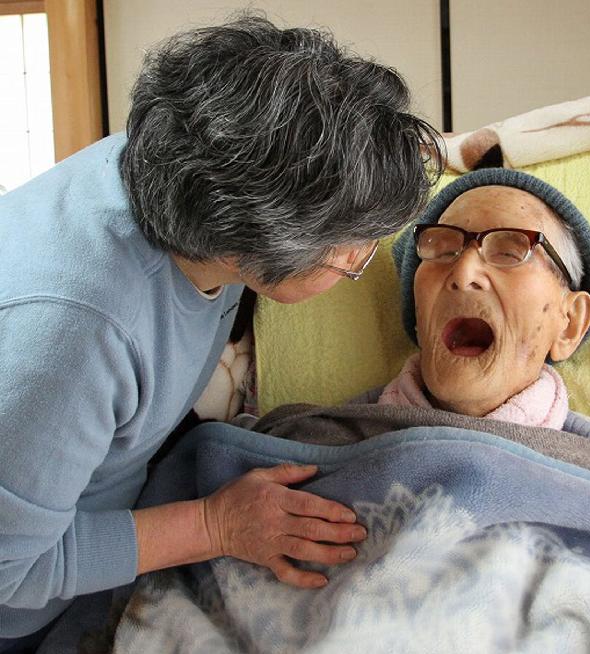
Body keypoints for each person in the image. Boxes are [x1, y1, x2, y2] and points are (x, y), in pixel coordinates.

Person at [0, 14, 443, 648]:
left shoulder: (181, 173)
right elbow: (8, 570)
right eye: (352, 254)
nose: (362, 260)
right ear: (254, 238)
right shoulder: (75, 334)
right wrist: (216, 524)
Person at [384, 168, 590, 427]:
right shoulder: (330, 445)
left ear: (569, 324)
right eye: (443, 250)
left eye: (509, 253)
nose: (464, 274)